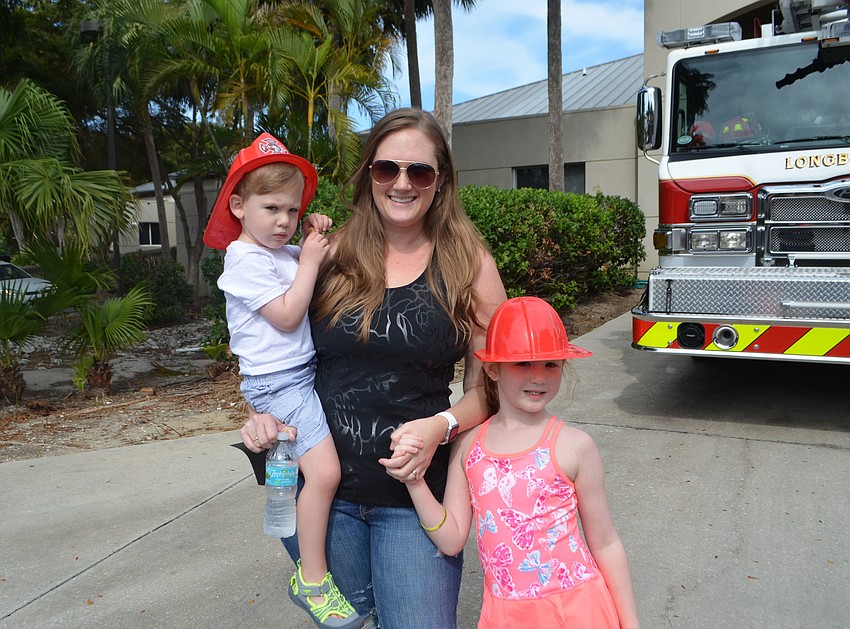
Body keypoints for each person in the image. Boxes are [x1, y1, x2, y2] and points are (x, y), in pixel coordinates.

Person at [239, 108, 507, 628]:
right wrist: (260, 412)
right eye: (387, 169)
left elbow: (490, 387)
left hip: (415, 497)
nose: (402, 184)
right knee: (349, 620)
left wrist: (442, 425)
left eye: (419, 172)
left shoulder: (469, 264)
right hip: (324, 496)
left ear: (441, 180)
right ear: (368, 174)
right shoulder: (326, 255)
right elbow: (270, 348)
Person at [392, 296, 640, 628]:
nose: (539, 377)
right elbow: (451, 539)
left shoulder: (575, 446)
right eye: (522, 364)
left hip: (577, 610)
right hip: (506, 615)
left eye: (551, 364)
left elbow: (606, 542)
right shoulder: (468, 447)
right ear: (492, 369)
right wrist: (415, 482)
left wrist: (631, 623)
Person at [203, 133, 361, 629]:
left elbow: (321, 258)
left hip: (296, 377)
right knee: (326, 474)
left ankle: (298, 537)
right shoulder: (242, 261)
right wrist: (308, 259)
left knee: (293, 472)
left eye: (293, 210)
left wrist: (316, 235)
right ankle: (312, 579)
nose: (283, 221)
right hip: (279, 384)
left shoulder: (278, 251)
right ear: (238, 206)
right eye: (271, 208)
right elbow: (289, 315)